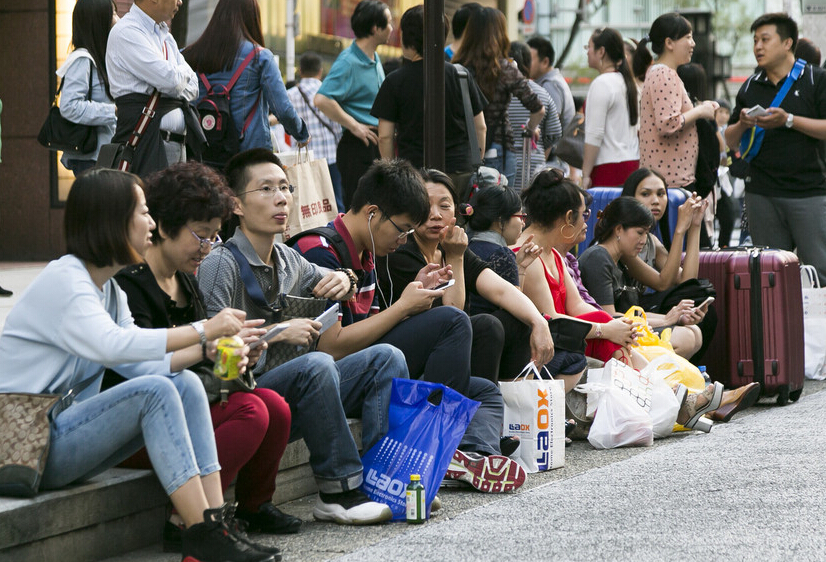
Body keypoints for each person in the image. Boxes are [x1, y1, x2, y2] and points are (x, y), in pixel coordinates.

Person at [0, 168, 277, 562]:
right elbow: (115, 346)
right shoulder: (65, 279)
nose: (151, 222)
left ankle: (215, 526)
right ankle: (199, 529)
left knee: (183, 383)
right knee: (159, 390)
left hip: (64, 438)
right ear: (111, 219)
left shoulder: (109, 289)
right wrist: (203, 328)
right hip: (29, 447)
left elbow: (147, 365)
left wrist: (207, 350)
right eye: (143, 212)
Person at [294, 159, 540, 492]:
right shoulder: (322, 253)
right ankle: (434, 448)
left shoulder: (365, 253)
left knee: (483, 390)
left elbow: (371, 329)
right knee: (454, 322)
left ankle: (473, 454)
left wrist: (539, 320)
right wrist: (403, 309)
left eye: (444, 206)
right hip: (330, 378)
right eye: (402, 227)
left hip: (368, 363)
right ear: (372, 214)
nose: (403, 237)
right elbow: (330, 347)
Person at [196, 149, 404, 525]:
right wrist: (277, 333)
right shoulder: (220, 265)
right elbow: (211, 352)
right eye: (265, 189)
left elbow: (337, 278)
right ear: (236, 206)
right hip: (243, 395)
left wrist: (347, 278)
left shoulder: (287, 258)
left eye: (286, 188)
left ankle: (381, 479)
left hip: (292, 390)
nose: (281, 198)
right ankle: (339, 491)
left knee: (386, 356)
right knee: (317, 363)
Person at [110, 162, 299, 548]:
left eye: (214, 236)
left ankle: (253, 506)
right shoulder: (130, 284)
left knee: (275, 406)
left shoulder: (185, 281)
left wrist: (240, 352)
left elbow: (203, 361)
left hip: (187, 403)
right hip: (137, 426)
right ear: (163, 227)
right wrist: (208, 348)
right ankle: (187, 521)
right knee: (252, 410)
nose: (208, 248)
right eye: (201, 236)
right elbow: (144, 368)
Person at [377, 170, 571, 387]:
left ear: (456, 212)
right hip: (407, 354)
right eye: (425, 205)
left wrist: (539, 321)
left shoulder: (449, 246)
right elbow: (453, 313)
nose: (435, 215)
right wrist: (456, 257)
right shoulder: (402, 251)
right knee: (486, 325)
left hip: (450, 348)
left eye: (444, 206)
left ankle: (513, 402)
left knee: (516, 320)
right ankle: (474, 404)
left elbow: (501, 290)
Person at [725, 12, 826, 284]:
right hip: (762, 193)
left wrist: (788, 120)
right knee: (769, 276)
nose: (758, 46)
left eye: (765, 39)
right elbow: (730, 139)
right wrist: (743, 123)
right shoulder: (749, 86)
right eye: (755, 40)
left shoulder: (816, 79)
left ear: (787, 43)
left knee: (819, 271)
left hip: (810, 193)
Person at [514, 169, 644, 368]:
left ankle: (656, 385)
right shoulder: (527, 256)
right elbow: (552, 319)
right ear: (568, 217)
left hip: (567, 338)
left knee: (603, 319)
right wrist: (605, 329)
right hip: (543, 348)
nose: (585, 221)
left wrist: (614, 325)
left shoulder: (553, 253)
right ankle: (654, 387)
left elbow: (577, 306)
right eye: (584, 215)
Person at [372, 5, 487, 193]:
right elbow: (480, 126)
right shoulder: (461, 75)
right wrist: (475, 160)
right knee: (456, 219)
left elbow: (384, 136)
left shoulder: (394, 81)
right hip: (459, 172)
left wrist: (391, 172)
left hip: (414, 174)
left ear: (406, 39)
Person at [578, 196, 705, 360]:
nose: (644, 241)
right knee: (686, 338)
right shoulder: (598, 257)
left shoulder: (622, 260)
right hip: (606, 339)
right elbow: (610, 317)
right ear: (618, 230)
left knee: (694, 332)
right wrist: (666, 320)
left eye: (646, 233)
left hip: (625, 330)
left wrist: (678, 316)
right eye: (639, 233)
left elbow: (632, 313)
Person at [182, 0, 309, 160]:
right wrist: (301, 134)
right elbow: (283, 109)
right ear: (253, 18)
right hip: (248, 156)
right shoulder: (260, 57)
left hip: (201, 154)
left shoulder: (188, 55)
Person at [620, 168, 717, 363]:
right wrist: (680, 230)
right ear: (631, 198)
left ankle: (690, 373)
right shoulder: (624, 241)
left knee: (697, 303)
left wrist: (695, 226)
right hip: (622, 314)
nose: (655, 200)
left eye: (661, 194)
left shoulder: (651, 240)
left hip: (641, 309)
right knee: (688, 309)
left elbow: (686, 282)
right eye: (646, 194)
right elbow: (663, 283)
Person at [106, 0, 203, 175]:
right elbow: (171, 81)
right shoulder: (126, 32)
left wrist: (175, 79)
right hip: (147, 144)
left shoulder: (166, 37)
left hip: (175, 145)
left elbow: (194, 87)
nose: (180, 1)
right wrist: (178, 77)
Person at [454, 7, 545, 186]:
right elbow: (538, 109)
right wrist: (529, 128)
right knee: (503, 209)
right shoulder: (505, 68)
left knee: (468, 208)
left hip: (463, 150)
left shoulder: (457, 67)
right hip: (499, 146)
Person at [315, 0, 392, 209]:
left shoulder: (374, 57)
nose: (392, 29)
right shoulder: (349, 61)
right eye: (389, 23)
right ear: (376, 28)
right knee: (359, 211)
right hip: (357, 147)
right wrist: (354, 125)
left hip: (374, 143)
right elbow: (321, 99)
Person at [633, 13, 718, 193]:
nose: (693, 43)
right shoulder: (664, 74)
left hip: (668, 180)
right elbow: (668, 123)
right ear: (669, 43)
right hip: (670, 182)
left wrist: (701, 108)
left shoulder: (661, 73)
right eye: (688, 37)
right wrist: (701, 111)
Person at [57, 0, 118, 175]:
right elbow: (69, 106)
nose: (118, 19)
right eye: (113, 14)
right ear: (98, 20)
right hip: (90, 157)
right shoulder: (82, 59)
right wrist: (113, 111)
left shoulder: (100, 58)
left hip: (102, 154)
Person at [580, 28, 640, 189]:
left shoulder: (602, 83)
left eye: (589, 47)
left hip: (607, 168)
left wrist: (585, 175)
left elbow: (595, 134)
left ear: (601, 51)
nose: (587, 52)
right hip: (632, 163)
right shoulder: (627, 83)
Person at [286, 52, 345, 211]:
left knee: (309, 206)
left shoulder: (290, 95)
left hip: (303, 159)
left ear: (300, 71)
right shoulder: (328, 93)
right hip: (331, 157)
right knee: (334, 202)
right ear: (320, 71)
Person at [507, 41, 562, 192]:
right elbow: (555, 134)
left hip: (504, 163)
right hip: (534, 164)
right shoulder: (542, 93)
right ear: (529, 64)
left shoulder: (497, 92)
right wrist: (538, 149)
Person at [527, 35, 576, 135]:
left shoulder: (550, 84)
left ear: (545, 62)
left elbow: (550, 126)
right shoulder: (553, 80)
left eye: (530, 59)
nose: (526, 63)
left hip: (556, 149)